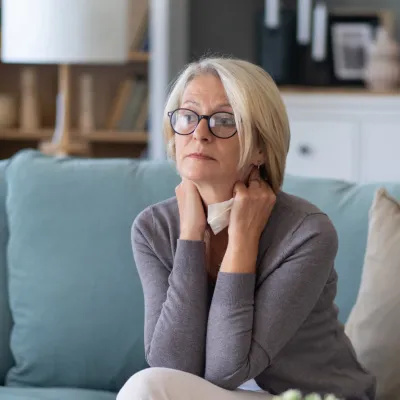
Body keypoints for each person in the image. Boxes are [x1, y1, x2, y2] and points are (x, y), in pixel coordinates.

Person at [117, 57, 376, 400]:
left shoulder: (307, 233)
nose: (200, 133)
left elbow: (228, 370)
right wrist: (191, 235)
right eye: (188, 116)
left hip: (310, 396)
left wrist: (243, 239)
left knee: (146, 388)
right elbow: (170, 364)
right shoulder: (153, 228)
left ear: (260, 148)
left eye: (225, 120)